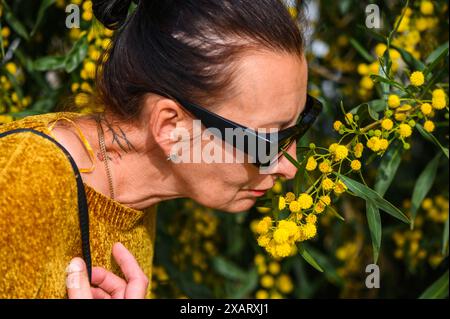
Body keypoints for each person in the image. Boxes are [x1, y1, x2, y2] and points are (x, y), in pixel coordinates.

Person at [0, 0, 318, 298]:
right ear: (170, 127)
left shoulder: (136, 196)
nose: (289, 166)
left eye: (301, 125)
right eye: (269, 140)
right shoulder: (22, 183)